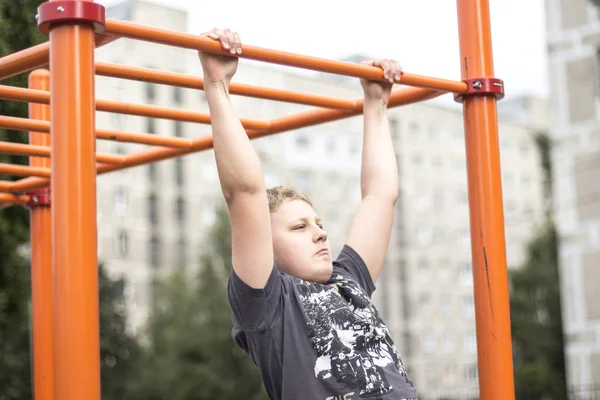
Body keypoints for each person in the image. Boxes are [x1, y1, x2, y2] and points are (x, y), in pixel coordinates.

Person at [198, 27, 419, 400]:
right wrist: (217, 85)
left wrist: (377, 105)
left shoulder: (347, 281)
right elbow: (244, 193)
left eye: (318, 224)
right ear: (264, 247)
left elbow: (380, 195)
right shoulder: (270, 306)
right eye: (299, 227)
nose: (320, 234)